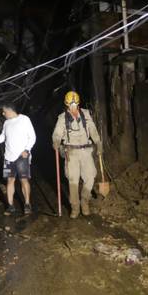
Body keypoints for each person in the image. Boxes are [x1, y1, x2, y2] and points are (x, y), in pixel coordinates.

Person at [51, 90, 102, 219]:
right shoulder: (62, 118)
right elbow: (57, 133)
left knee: (90, 176)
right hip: (71, 153)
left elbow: (92, 129)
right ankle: (75, 207)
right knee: (73, 181)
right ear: (66, 105)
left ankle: (85, 201)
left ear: (78, 103)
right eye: (70, 105)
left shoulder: (85, 114)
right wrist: (56, 141)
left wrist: (98, 143)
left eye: (75, 104)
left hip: (86, 151)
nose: (73, 107)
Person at [0, 103, 36, 215]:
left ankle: (27, 204)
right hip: (9, 157)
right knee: (10, 180)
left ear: (10, 111)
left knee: (24, 180)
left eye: (4, 111)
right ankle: (10, 206)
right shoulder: (6, 123)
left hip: (22, 156)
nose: (3, 113)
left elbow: (33, 137)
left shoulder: (24, 119)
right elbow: (2, 137)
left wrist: (27, 150)